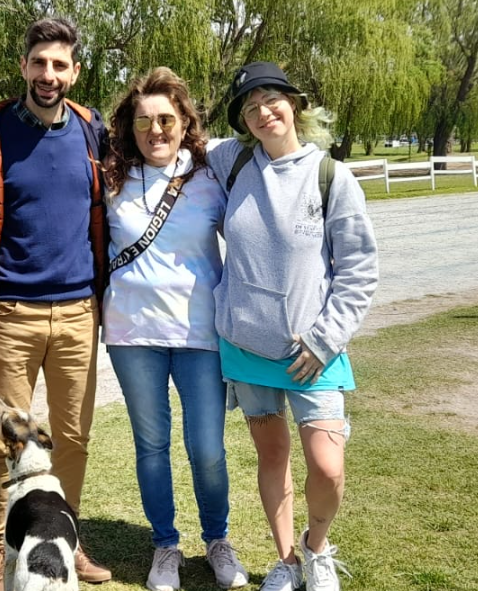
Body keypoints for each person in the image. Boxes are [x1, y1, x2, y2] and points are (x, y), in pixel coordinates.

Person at [206, 62, 379, 591]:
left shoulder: (332, 176)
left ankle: (315, 549)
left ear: (294, 104)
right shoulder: (229, 162)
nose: (263, 112)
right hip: (245, 346)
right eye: (250, 106)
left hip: (313, 354)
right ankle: (285, 560)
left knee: (327, 467)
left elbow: (359, 270)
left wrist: (326, 340)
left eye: (271, 99)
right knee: (272, 455)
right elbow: (170, 133)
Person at [0, 17, 111, 591]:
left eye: (60, 65)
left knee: (72, 437)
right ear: (24, 66)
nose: (49, 75)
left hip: (77, 312)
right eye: (39, 63)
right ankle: (5, 545)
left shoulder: (92, 131)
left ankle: (64, 538)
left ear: (74, 71)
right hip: (9, 314)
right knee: (8, 439)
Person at [100, 67, 248, 591]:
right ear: (129, 126)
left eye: (166, 119)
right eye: (144, 121)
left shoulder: (212, 174)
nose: (156, 131)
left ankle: (218, 540)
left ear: (185, 121)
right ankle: (165, 545)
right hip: (131, 333)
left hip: (201, 336)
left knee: (207, 447)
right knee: (152, 444)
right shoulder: (112, 175)